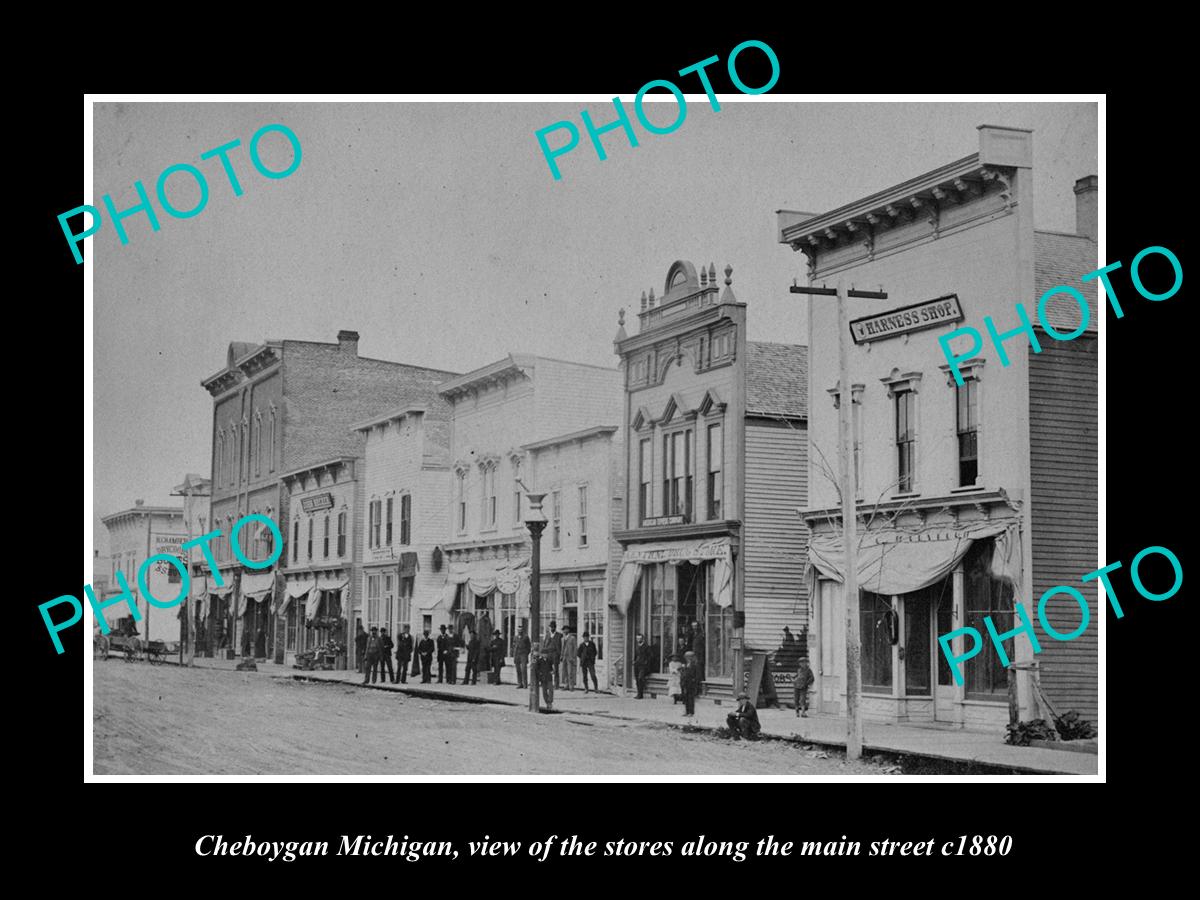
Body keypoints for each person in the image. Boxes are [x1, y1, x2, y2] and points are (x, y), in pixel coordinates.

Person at [679, 650, 701, 717]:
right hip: (685, 683)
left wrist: (694, 681)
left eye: (689, 657)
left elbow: (697, 675)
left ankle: (691, 712)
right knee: (686, 698)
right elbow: (683, 674)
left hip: (691, 683)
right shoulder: (686, 665)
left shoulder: (695, 665)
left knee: (691, 698)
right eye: (686, 657)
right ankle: (687, 711)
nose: (687, 658)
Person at [633, 634, 654, 699]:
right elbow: (635, 655)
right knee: (637, 679)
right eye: (637, 638)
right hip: (637, 665)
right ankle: (638, 693)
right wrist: (634, 661)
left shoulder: (646, 647)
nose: (638, 640)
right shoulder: (636, 646)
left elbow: (651, 656)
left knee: (640, 678)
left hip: (643, 666)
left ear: (642, 639)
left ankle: (640, 694)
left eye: (639, 638)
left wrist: (646, 663)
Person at [544, 621, 563, 689]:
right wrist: (544, 653)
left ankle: (556, 684)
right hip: (549, 653)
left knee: (556, 670)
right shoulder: (548, 635)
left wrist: (560, 654)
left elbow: (561, 645)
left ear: (555, 627)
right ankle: (549, 684)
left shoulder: (559, 635)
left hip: (555, 653)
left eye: (553, 627)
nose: (552, 628)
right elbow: (544, 644)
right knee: (548, 669)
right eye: (551, 627)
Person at [560, 625, 578, 691]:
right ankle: (566, 685)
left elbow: (575, 648)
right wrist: (561, 656)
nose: (565, 631)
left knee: (570, 672)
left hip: (570, 657)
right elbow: (562, 648)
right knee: (565, 672)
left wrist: (573, 657)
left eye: (566, 629)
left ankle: (571, 686)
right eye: (564, 630)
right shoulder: (562, 639)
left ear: (568, 630)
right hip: (564, 657)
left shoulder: (572, 638)